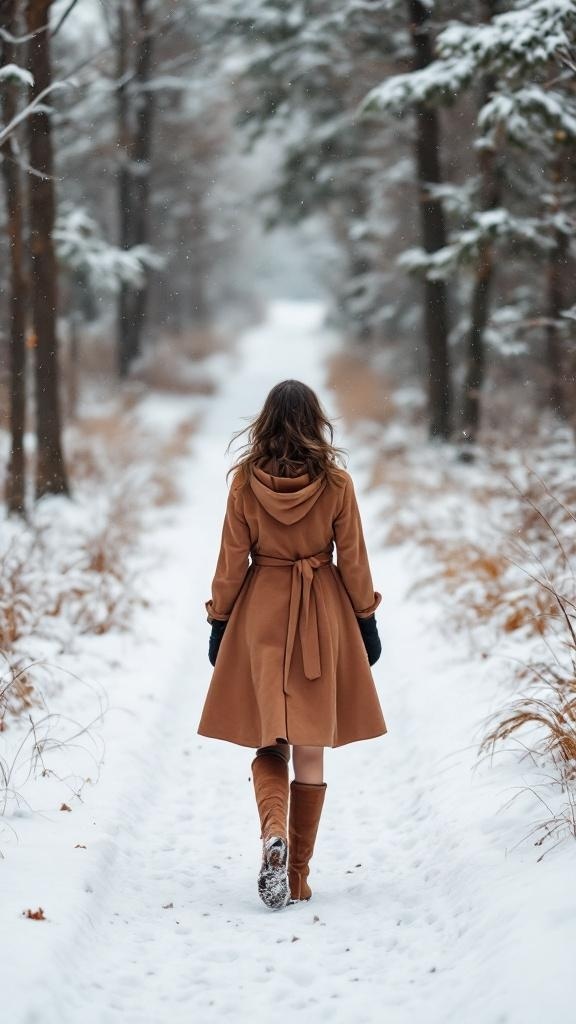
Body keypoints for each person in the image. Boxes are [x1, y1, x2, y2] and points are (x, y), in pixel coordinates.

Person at [198, 379, 386, 910]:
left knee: (268, 740)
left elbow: (231, 563)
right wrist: (366, 620)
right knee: (310, 746)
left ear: (264, 422)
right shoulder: (336, 484)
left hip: (261, 614)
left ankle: (272, 830)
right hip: (320, 617)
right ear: (316, 423)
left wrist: (219, 622)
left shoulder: (243, 483)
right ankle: (297, 875)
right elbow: (353, 561)